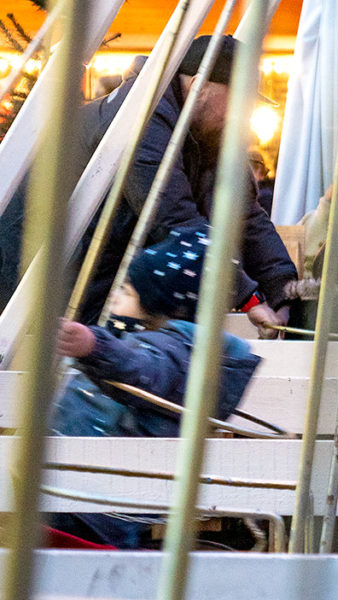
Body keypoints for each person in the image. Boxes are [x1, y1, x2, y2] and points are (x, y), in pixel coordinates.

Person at [66, 35, 298, 332]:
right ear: (199, 86)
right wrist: (248, 297)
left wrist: (284, 291)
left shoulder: (213, 131)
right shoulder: (140, 114)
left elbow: (246, 217)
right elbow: (171, 217)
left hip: (116, 278)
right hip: (70, 274)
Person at [50, 231, 261, 549]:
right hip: (82, 491)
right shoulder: (170, 346)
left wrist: (93, 345)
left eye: (126, 290)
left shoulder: (173, 351)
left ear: (160, 304)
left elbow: (140, 371)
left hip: (86, 502)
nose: (115, 298)